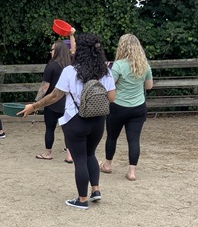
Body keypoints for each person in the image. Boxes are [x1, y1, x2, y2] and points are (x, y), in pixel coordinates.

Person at [18, 33, 116, 210]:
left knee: (79, 159)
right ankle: (95, 190)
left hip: (75, 121)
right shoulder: (105, 71)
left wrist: (34, 106)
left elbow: (55, 96)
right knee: (90, 154)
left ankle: (82, 199)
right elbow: (111, 97)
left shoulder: (70, 71)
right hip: (98, 121)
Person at [100, 34, 153, 181]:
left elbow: (109, 86)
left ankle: (108, 165)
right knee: (134, 140)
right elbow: (149, 86)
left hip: (118, 106)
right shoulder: (145, 66)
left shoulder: (118, 65)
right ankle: (131, 172)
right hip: (138, 107)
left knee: (112, 136)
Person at [34, 39, 73, 163]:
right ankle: (69, 154)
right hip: (67, 103)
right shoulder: (70, 65)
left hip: (52, 103)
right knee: (67, 129)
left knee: (50, 128)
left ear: (56, 51)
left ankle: (48, 152)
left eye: (52, 49)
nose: (50, 52)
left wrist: (37, 102)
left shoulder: (51, 66)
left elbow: (44, 87)